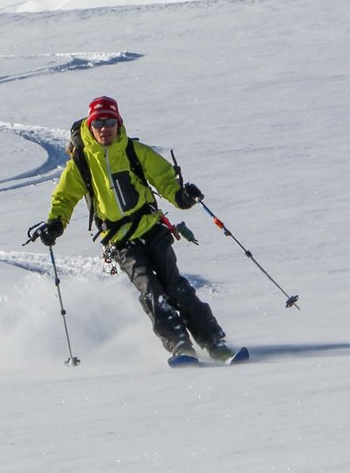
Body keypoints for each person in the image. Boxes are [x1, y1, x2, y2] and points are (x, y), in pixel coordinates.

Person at [30, 95, 240, 363]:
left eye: (110, 121)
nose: (104, 128)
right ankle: (180, 347)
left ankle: (214, 343)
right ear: (90, 126)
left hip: (151, 228)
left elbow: (164, 178)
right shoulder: (82, 162)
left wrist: (181, 196)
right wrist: (56, 224)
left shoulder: (133, 151)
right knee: (151, 289)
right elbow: (65, 197)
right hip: (120, 240)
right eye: (98, 122)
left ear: (119, 123)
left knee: (175, 286)